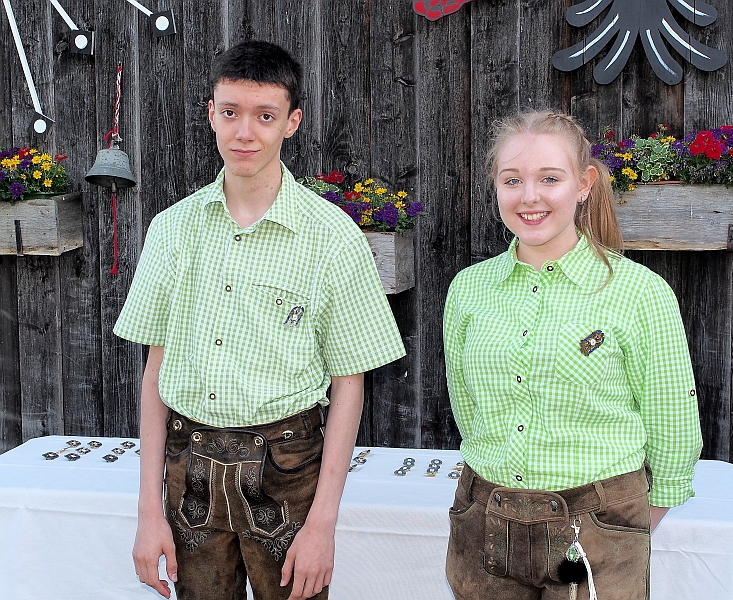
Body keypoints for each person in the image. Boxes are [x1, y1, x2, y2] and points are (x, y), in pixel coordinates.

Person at [114, 40, 405, 600]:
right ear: (211, 114)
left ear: (292, 122)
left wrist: (322, 524)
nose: (244, 133)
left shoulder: (332, 237)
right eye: (230, 112)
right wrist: (148, 512)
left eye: (265, 116)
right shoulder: (171, 230)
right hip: (188, 468)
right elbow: (156, 371)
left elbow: (350, 384)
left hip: (289, 470)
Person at [443, 110, 702, 600]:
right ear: (495, 186)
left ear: (583, 185)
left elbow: (672, 417)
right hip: (485, 524)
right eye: (512, 180)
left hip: (597, 530)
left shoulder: (638, 292)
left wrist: (627, 524)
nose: (529, 196)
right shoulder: (468, 290)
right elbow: (467, 406)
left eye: (550, 178)